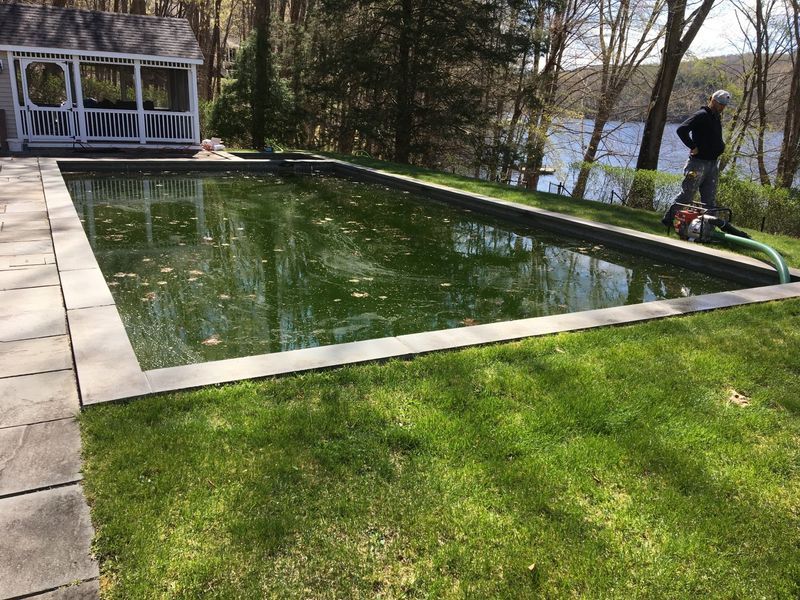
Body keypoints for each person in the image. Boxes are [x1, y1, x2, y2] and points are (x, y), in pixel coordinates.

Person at [661, 89, 732, 227]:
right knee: (687, 194)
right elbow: (681, 129)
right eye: (721, 104)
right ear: (713, 101)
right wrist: (692, 146)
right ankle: (668, 219)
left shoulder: (716, 117)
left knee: (709, 198)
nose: (723, 107)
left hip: (712, 164)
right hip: (697, 163)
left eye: (725, 105)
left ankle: (708, 227)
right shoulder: (701, 115)